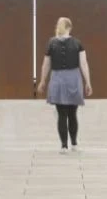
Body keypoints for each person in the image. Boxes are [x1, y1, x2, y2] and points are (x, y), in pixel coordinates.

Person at [35, 16, 93, 149]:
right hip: (74, 78)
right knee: (73, 113)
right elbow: (84, 64)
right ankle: (74, 143)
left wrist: (42, 81)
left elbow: (46, 65)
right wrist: (88, 82)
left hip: (57, 79)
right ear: (69, 28)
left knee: (62, 114)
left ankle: (63, 146)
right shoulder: (78, 43)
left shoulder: (51, 43)